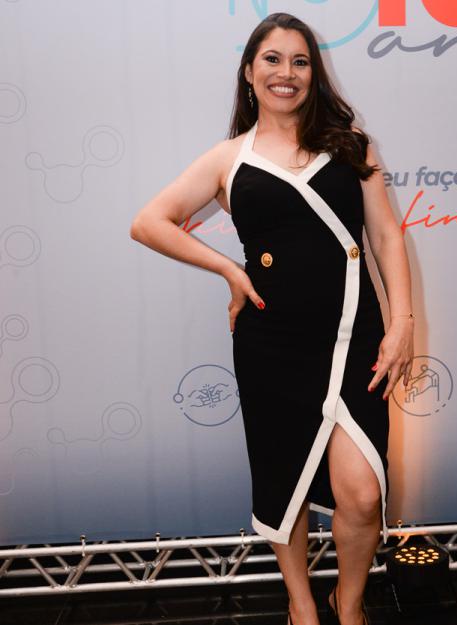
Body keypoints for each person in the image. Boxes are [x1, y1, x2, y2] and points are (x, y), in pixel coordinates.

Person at [130, 12, 414, 625]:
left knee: (363, 494)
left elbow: (387, 236)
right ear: (249, 71)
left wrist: (402, 324)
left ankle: (349, 604)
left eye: (300, 61)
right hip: (273, 346)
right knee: (286, 484)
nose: (287, 73)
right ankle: (302, 605)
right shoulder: (228, 158)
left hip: (355, 336)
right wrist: (229, 271)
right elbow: (148, 222)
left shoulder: (351, 145)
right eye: (273, 59)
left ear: (314, 72)